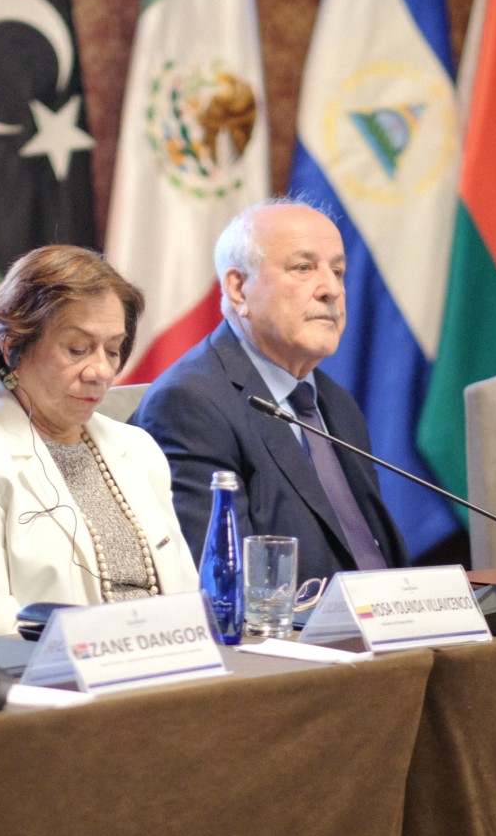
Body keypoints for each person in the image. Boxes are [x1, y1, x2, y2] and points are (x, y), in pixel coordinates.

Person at [0, 246, 199, 636]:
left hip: (161, 674)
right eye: (77, 349)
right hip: (36, 686)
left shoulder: (137, 449)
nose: (101, 371)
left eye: (113, 349)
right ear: (13, 347)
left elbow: (186, 599)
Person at [133, 200, 408, 584]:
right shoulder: (189, 404)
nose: (331, 289)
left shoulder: (335, 403)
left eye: (338, 271)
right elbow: (226, 583)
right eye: (303, 268)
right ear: (238, 287)